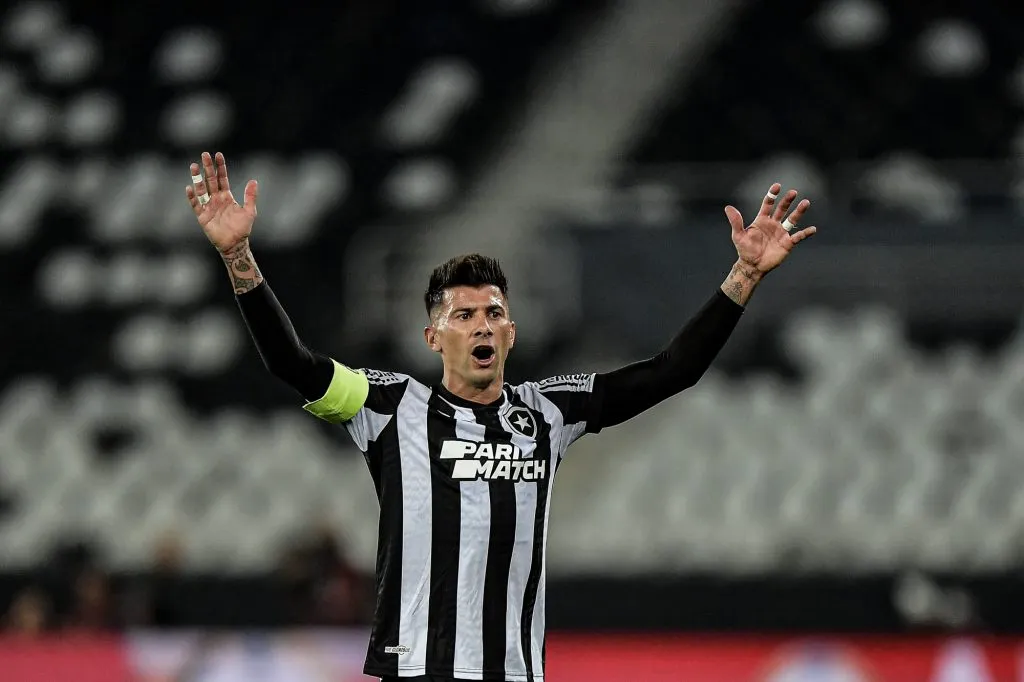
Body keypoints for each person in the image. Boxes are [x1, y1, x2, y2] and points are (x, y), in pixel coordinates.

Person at [184, 151, 817, 682]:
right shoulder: (389, 405)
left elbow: (671, 370)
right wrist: (240, 259)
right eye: (463, 315)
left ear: (510, 332)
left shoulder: (550, 411)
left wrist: (743, 275)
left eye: (493, 313)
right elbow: (291, 363)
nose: (481, 325)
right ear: (433, 337)